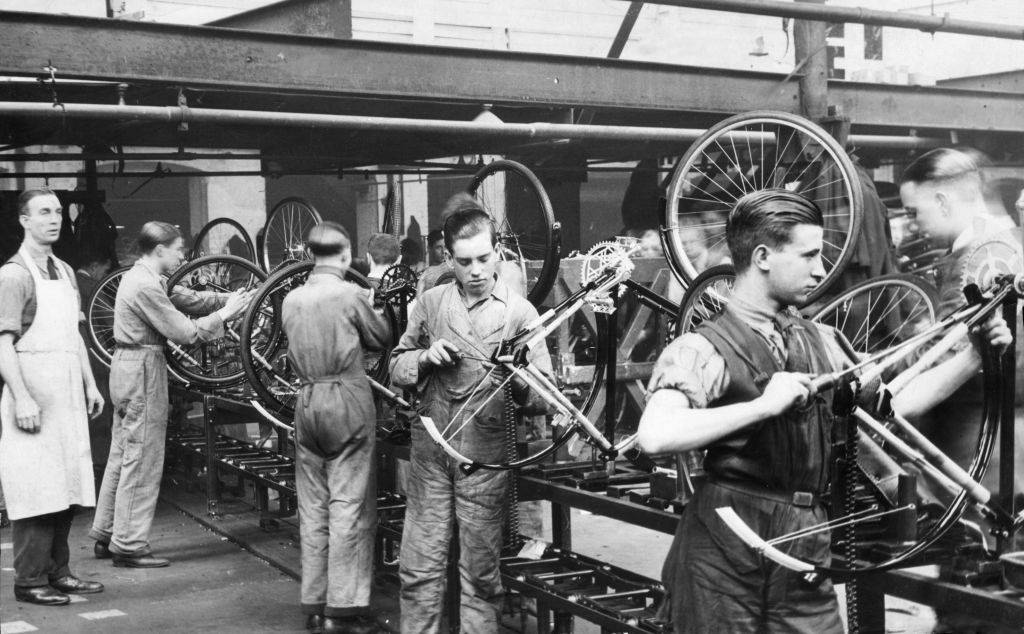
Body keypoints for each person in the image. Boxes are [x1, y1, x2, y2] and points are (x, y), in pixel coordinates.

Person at [636, 189, 1010, 633]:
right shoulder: (702, 347)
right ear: (762, 257)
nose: (820, 269)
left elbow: (890, 406)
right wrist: (762, 406)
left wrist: (972, 357)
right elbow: (655, 434)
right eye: (809, 255)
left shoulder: (821, 340)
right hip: (723, 547)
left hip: (805, 540)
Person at [390, 198, 553, 633]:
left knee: (480, 575)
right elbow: (395, 366)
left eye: (484, 258)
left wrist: (517, 375)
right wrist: (425, 358)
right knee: (419, 567)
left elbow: (544, 398)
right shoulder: (430, 303)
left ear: (498, 250)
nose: (477, 270)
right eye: (465, 262)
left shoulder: (520, 312)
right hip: (430, 453)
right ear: (448, 258)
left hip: (486, 457)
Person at [88, 221, 253, 568]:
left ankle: (107, 533)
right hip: (142, 368)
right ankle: (130, 544)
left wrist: (234, 298)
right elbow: (187, 332)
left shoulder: (147, 277)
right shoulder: (146, 285)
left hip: (127, 367)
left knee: (123, 453)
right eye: (179, 248)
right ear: (160, 250)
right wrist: (227, 314)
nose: (183, 254)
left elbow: (190, 299)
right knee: (143, 457)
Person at [281, 222, 391, 634]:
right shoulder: (349, 294)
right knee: (349, 504)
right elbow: (381, 338)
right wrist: (375, 303)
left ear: (312, 254)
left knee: (313, 508)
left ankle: (314, 603)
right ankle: (343, 611)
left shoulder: (292, 298)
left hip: (306, 401)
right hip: (345, 397)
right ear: (346, 255)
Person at [0, 188, 106, 606]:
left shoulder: (63, 269)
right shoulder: (13, 275)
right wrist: (22, 398)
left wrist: (90, 384)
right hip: (32, 393)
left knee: (67, 484)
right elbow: (3, 344)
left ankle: (59, 571)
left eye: (58, 211)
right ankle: (28, 581)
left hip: (66, 392)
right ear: (24, 220)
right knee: (36, 490)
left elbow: (74, 336)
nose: (54, 218)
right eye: (44, 212)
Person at [75, 247, 115, 487]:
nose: (105, 275)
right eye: (104, 270)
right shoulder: (92, 288)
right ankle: (100, 482)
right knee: (100, 420)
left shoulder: (73, 281)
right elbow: (110, 323)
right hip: (96, 361)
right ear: (94, 265)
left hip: (78, 360)